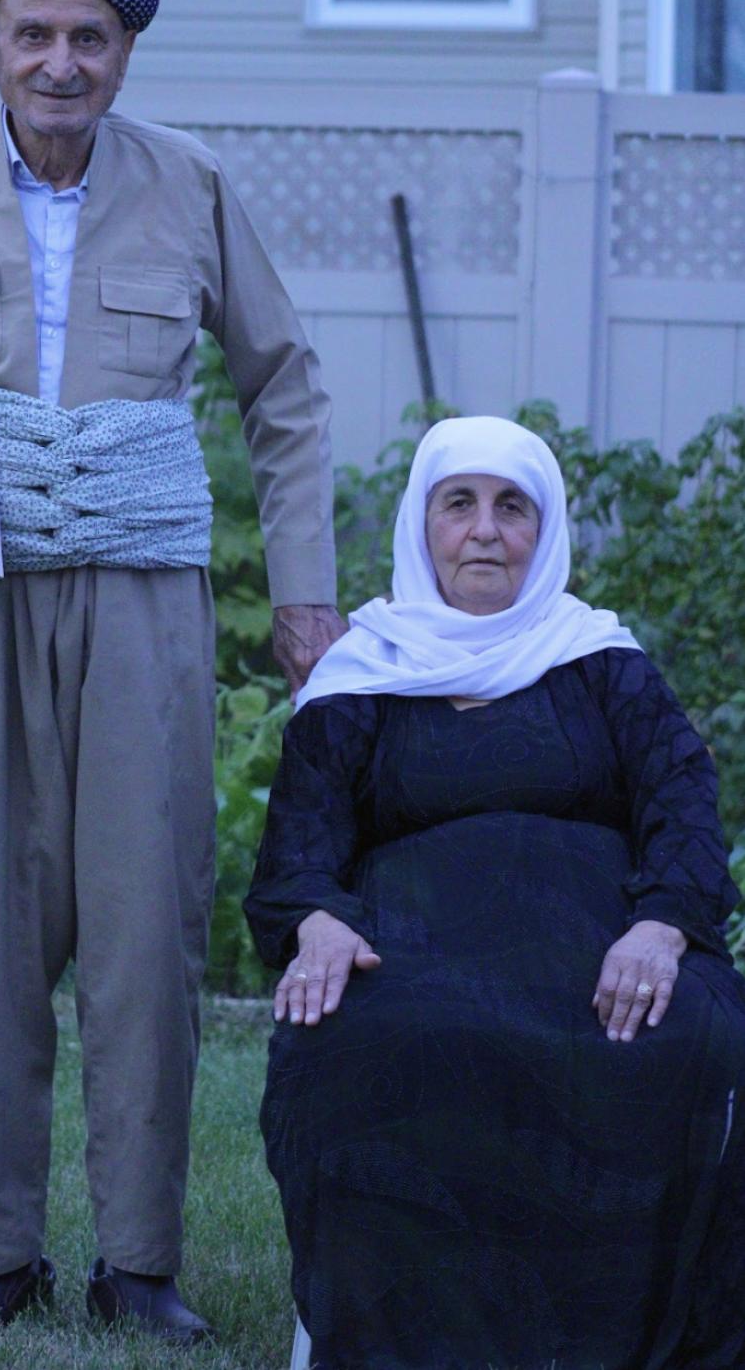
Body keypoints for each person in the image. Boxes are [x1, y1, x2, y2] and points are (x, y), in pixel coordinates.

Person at [0, 0, 345, 1343]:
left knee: (143, 931)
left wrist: (305, 593)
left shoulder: (192, 184)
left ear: (124, 55)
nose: (61, 63)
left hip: (139, 595)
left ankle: (140, 1263)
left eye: (90, 40)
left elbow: (284, 388)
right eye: (34, 36)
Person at [245, 415, 745, 1370]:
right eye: (458, 504)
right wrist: (316, 923)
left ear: (543, 530)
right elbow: (299, 841)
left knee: (697, 1035)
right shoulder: (362, 676)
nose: (484, 530)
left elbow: (682, 804)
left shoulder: (602, 663)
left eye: (512, 507)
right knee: (352, 1044)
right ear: (421, 524)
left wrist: (660, 927)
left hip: (601, 956)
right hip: (412, 956)